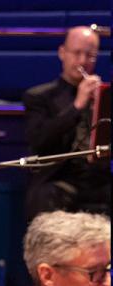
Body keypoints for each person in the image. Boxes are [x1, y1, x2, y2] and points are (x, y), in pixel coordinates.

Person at [23, 26, 109, 219]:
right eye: (76, 53)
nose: (82, 61)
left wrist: (101, 105)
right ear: (62, 53)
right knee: (46, 195)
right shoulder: (39, 96)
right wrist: (78, 105)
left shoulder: (104, 96)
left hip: (99, 180)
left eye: (90, 56)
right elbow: (40, 142)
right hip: (60, 178)